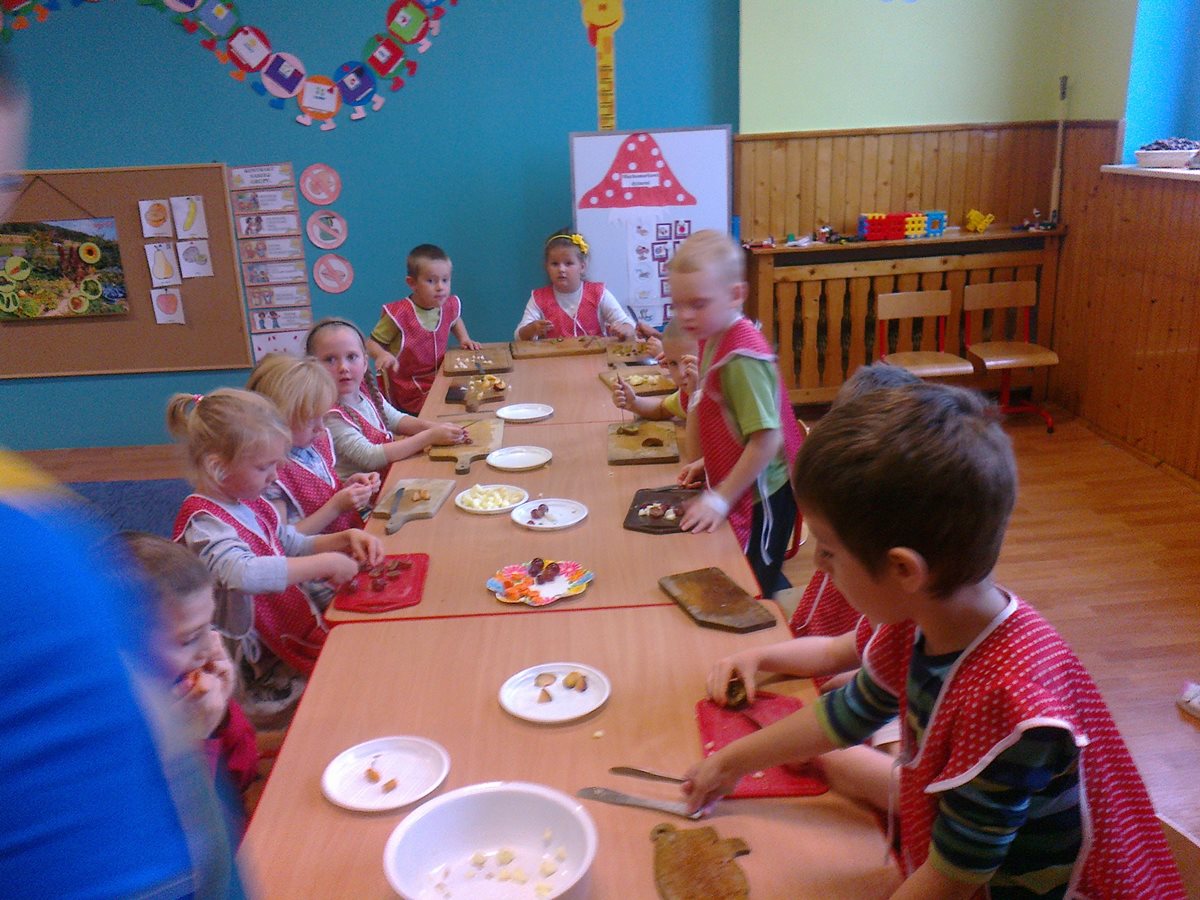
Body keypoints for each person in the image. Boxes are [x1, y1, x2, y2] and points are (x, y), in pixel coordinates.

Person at [682, 382, 1186, 898]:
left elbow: (953, 878)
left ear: (904, 569)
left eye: (829, 551)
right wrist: (731, 761)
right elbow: (847, 714)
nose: (819, 565)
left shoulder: (1011, 705)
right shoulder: (922, 617)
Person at [706, 363, 923, 704]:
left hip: (818, 688)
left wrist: (859, 688)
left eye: (829, 548)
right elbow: (834, 650)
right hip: (805, 653)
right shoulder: (864, 562)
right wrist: (759, 656)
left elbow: (866, 687)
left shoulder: (895, 605)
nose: (818, 561)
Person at [168, 389, 383, 685]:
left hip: (282, 626)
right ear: (218, 469)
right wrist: (325, 564)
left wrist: (343, 539)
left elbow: (285, 542)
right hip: (248, 662)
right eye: (264, 467)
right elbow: (242, 573)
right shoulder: (204, 525)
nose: (275, 476)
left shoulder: (248, 499)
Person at [672, 229, 804, 598]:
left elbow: (767, 439)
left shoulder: (742, 359)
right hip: (746, 483)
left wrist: (721, 497)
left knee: (750, 586)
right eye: (677, 304)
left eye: (697, 304)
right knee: (748, 571)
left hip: (766, 498)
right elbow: (735, 422)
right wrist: (710, 461)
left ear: (736, 295)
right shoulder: (712, 333)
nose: (685, 315)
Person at [118, 531, 263, 831]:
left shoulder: (183, 683)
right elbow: (193, 831)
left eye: (209, 626)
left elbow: (245, 774)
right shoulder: (125, 725)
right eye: (188, 638)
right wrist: (195, 741)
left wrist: (223, 717)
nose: (210, 647)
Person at [306, 317, 467, 480]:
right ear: (312, 367)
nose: (343, 367)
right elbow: (370, 457)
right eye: (330, 360)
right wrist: (430, 436)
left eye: (351, 357)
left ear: (364, 362)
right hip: (366, 493)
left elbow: (396, 420)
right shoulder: (330, 415)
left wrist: (437, 427)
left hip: (389, 475)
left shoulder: (364, 390)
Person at [246, 352, 380, 534]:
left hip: (351, 533)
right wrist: (336, 506)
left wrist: (350, 487)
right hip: (324, 550)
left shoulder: (312, 446)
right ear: (277, 421)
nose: (320, 427)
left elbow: (322, 492)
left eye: (322, 417)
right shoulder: (270, 474)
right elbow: (283, 541)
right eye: (310, 421)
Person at [365, 243, 481, 414]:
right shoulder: (398, 314)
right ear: (412, 283)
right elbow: (370, 343)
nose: (440, 287)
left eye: (445, 280)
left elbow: (455, 319)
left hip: (440, 375)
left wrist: (464, 338)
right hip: (408, 387)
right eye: (431, 281)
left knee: (474, 394)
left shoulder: (448, 305)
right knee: (446, 410)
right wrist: (381, 354)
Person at [515, 229, 636, 341]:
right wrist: (531, 329)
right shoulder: (539, 298)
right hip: (554, 357)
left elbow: (628, 324)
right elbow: (518, 336)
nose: (561, 269)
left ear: (582, 267)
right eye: (555, 264)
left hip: (595, 356)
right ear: (547, 267)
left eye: (568, 263)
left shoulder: (598, 294)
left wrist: (625, 329)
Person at [610, 317, 698, 421]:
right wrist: (633, 402)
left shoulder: (715, 399)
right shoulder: (686, 395)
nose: (681, 373)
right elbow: (661, 409)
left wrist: (694, 400)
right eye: (673, 363)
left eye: (691, 362)